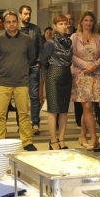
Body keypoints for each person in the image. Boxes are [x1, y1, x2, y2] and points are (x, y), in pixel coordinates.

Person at [0, 10, 37, 151]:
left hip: (21, 82)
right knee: (0, 114)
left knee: (24, 114)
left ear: (17, 23)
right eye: (8, 22)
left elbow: (31, 58)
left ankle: (27, 141)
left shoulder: (27, 39)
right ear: (4, 24)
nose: (11, 24)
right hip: (3, 81)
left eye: (14, 22)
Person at [71, 11, 100, 150]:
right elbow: (72, 56)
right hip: (80, 74)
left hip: (94, 74)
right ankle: (94, 137)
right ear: (81, 22)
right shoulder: (75, 37)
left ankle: (82, 136)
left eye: (91, 20)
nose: (88, 23)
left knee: (88, 108)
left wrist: (93, 66)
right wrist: (86, 65)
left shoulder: (98, 37)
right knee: (86, 107)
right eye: (86, 20)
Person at [41, 15, 73, 150]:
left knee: (64, 110)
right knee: (53, 109)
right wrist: (49, 72)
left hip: (66, 74)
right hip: (53, 74)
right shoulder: (50, 42)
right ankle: (53, 140)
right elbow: (43, 60)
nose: (64, 26)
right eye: (60, 24)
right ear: (55, 26)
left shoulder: (69, 41)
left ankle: (62, 139)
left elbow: (70, 60)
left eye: (65, 23)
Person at [18, 5, 43, 135]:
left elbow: (41, 47)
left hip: (33, 67)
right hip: (18, 68)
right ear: (20, 15)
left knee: (34, 96)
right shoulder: (15, 29)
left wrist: (38, 62)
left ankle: (35, 123)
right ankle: (21, 124)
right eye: (25, 14)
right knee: (20, 97)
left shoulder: (35, 29)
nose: (27, 16)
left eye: (29, 14)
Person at [39, 26, 53, 106]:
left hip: (50, 66)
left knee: (49, 85)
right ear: (44, 33)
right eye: (47, 33)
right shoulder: (41, 43)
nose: (48, 35)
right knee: (41, 84)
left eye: (50, 33)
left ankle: (49, 102)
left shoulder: (53, 43)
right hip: (42, 66)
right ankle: (41, 102)